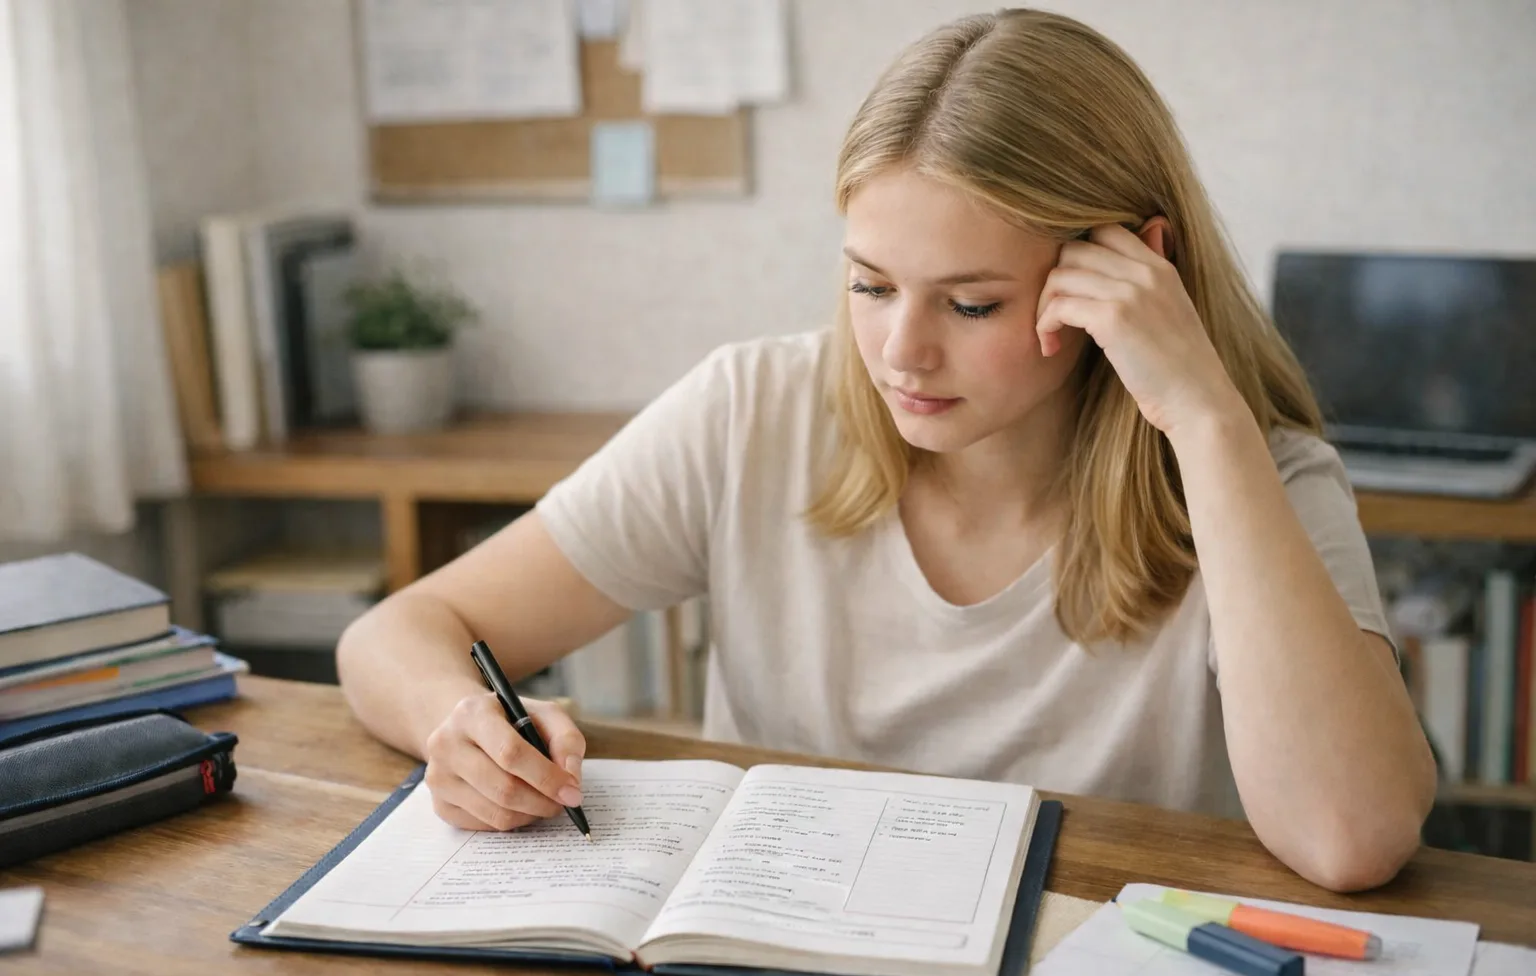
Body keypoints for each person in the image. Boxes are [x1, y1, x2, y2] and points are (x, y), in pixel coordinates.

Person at [337, 8, 1436, 892]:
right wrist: (460, 726)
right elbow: (398, 632)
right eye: (869, 284)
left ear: (1129, 270)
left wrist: (1204, 422)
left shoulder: (1260, 478)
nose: (899, 351)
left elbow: (1351, 837)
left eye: (969, 303)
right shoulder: (752, 409)